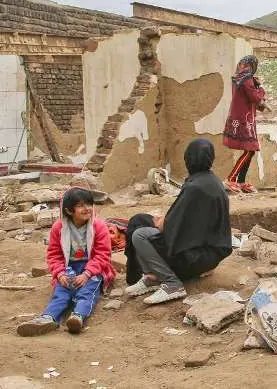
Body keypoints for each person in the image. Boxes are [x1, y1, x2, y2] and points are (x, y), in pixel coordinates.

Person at [124, 138, 232, 305]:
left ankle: (171, 283)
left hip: (197, 257)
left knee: (139, 234)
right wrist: (165, 220)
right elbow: (187, 219)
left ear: (188, 159)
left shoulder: (195, 187)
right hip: (210, 252)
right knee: (139, 220)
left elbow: (168, 228)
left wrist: (162, 222)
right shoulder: (211, 181)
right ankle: (152, 277)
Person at [17, 187, 115, 336]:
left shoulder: (98, 226)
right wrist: (60, 274)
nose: (87, 208)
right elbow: (54, 255)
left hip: (93, 269)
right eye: (81, 205)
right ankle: (48, 318)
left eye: (89, 204)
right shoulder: (59, 228)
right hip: (69, 268)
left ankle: (78, 316)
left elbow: (103, 254)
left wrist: (87, 274)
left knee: (87, 291)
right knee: (61, 292)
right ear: (69, 211)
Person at [223, 54, 266, 193]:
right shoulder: (247, 79)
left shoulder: (239, 78)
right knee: (250, 150)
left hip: (243, 118)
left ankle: (241, 182)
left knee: (250, 151)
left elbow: (251, 98)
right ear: (252, 66)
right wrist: (261, 87)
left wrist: (256, 86)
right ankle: (231, 179)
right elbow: (255, 97)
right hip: (244, 120)